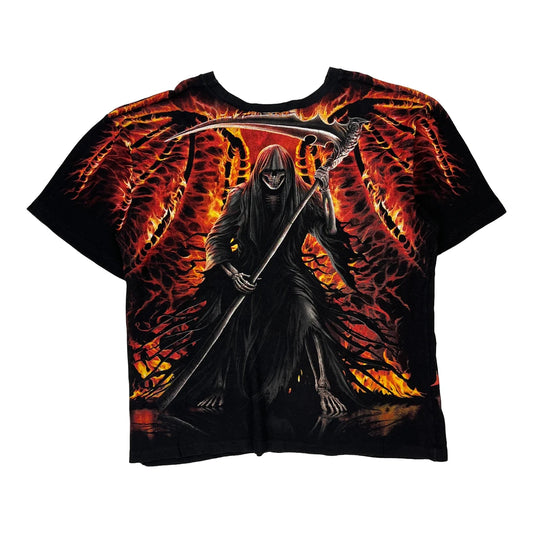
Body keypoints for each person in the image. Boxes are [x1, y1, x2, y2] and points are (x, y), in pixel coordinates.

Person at [176, 143, 365, 416]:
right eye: (268, 173)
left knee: (307, 314)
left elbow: (329, 231)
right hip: (247, 271)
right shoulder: (241, 196)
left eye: (279, 174)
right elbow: (216, 239)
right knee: (227, 314)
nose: (274, 179)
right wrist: (233, 274)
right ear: (259, 172)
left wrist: (325, 193)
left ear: (288, 172)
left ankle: (323, 387)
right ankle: (220, 384)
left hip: (288, 271)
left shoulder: (304, 195)